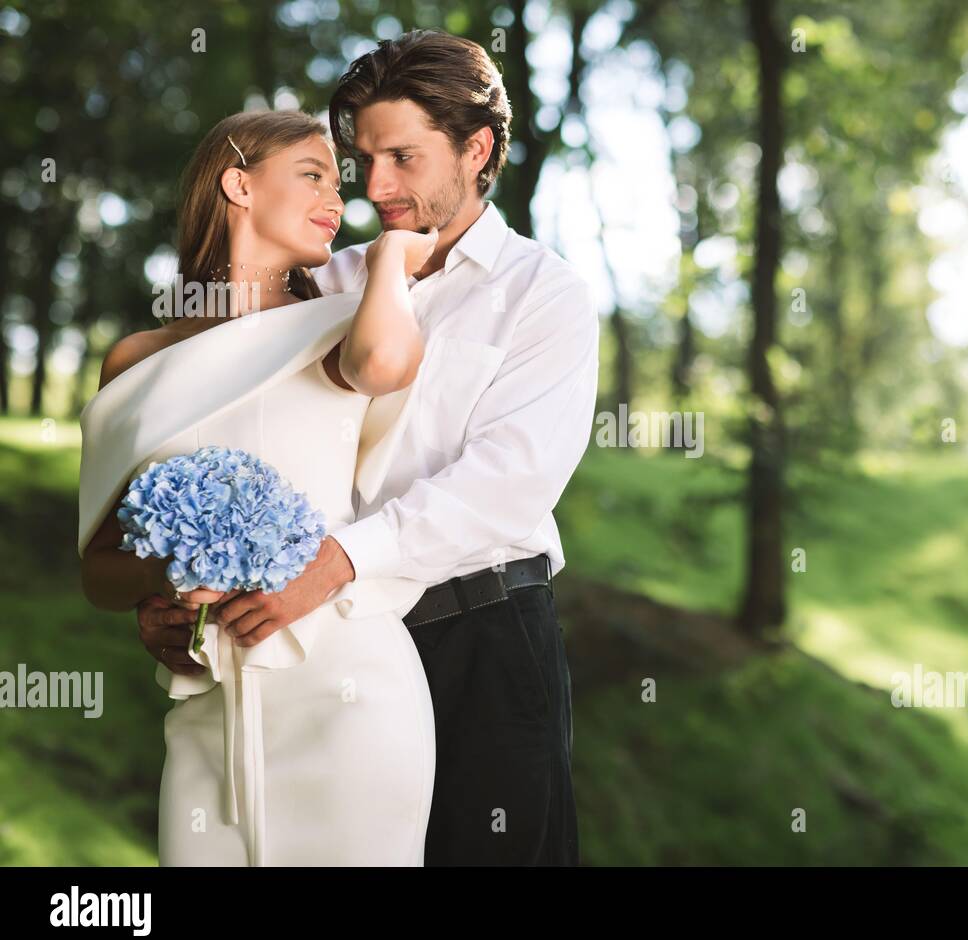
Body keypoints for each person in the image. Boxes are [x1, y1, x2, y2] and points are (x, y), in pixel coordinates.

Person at [140, 29, 600, 866]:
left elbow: (506, 485)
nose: (376, 188)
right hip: (319, 646)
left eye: (404, 158)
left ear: (477, 148)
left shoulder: (546, 297)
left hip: (483, 638)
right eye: (362, 161)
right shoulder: (325, 281)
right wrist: (177, 594)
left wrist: (339, 561)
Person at [79, 109, 439, 866]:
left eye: (339, 185)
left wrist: (389, 262)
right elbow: (100, 571)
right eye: (312, 174)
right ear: (238, 183)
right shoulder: (137, 360)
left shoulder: (343, 328)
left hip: (352, 693)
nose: (338, 200)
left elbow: (381, 366)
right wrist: (175, 580)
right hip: (210, 696)